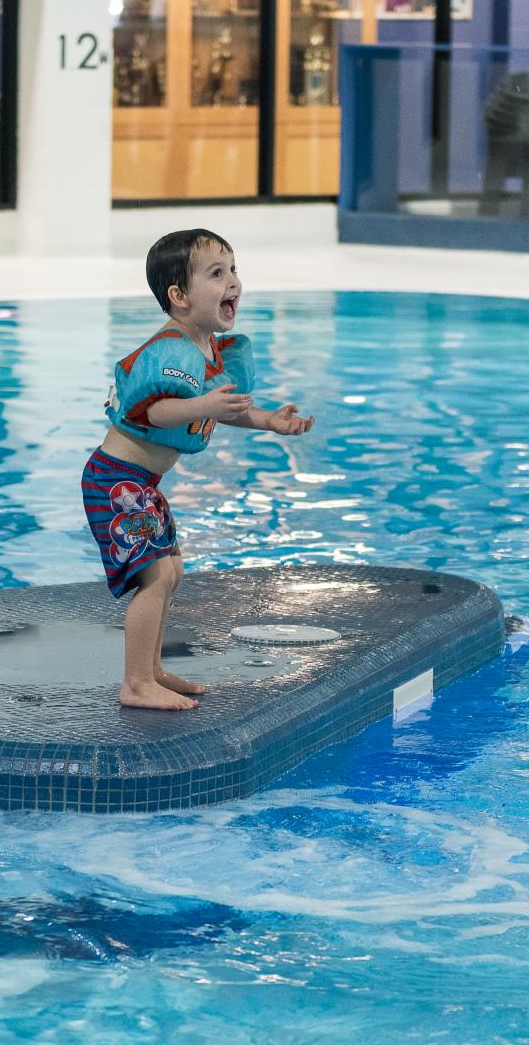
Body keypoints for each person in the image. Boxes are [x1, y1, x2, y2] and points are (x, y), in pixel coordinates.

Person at [84, 229, 315, 711]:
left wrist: (268, 421)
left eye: (233, 270)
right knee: (155, 577)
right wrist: (201, 405)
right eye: (216, 273)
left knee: (171, 570)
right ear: (179, 296)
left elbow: (225, 409)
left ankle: (151, 670)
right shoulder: (170, 350)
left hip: (141, 483)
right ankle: (135, 683)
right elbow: (153, 412)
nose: (232, 282)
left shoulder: (208, 351)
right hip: (114, 480)